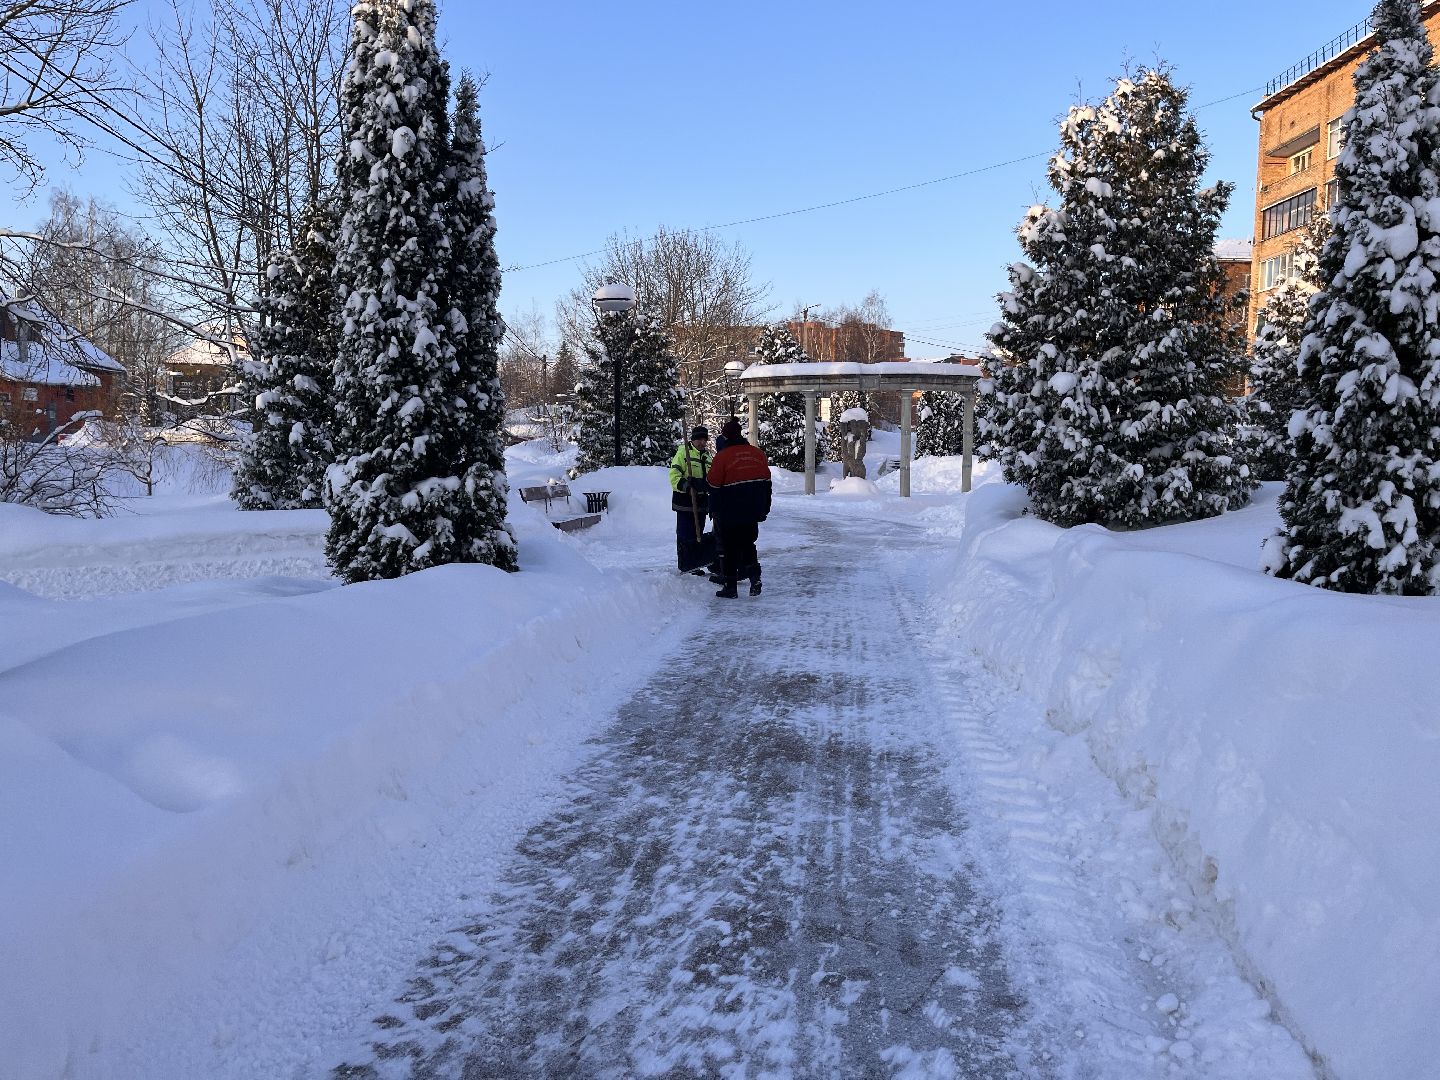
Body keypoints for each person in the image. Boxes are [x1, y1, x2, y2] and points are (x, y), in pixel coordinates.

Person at [706, 418, 771, 598]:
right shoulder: (758, 454)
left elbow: (712, 483)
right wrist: (764, 508)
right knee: (748, 544)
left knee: (728, 548)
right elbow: (767, 483)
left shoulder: (723, 457)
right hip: (752, 511)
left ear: (726, 437)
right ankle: (755, 578)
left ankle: (730, 587)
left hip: (729, 511)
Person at [669, 426, 712, 575]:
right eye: (699, 439)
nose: (702, 443)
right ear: (692, 440)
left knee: (698, 533)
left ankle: (695, 563)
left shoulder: (707, 457)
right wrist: (687, 486)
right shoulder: (683, 453)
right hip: (684, 502)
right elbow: (674, 475)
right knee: (685, 533)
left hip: (700, 503)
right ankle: (685, 564)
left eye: (704, 440)